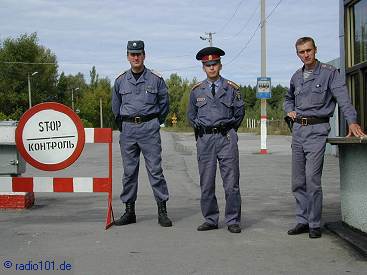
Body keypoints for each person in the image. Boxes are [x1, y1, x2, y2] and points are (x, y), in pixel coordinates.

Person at [284, 37, 366, 238]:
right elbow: (288, 98)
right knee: (297, 180)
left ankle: (314, 223)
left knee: (312, 179)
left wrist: (352, 122)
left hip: (317, 130)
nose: (306, 55)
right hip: (298, 131)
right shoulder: (296, 77)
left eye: (309, 50)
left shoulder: (330, 73)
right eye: (302, 52)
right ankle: (302, 220)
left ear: (315, 50)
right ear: (298, 54)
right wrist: (289, 110)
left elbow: (343, 99)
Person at [112, 40, 172, 227]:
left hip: (149, 129)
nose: (136, 57)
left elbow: (164, 105)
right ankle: (129, 211)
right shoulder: (120, 80)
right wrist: (124, 125)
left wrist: (155, 122)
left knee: (155, 170)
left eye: (139, 54)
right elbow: (115, 107)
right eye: (132, 54)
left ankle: (162, 211)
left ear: (144, 56)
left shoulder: (156, 79)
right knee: (129, 173)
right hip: (128, 130)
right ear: (128, 56)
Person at [187, 47, 245, 233]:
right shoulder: (197, 91)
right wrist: (203, 129)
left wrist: (227, 129)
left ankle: (233, 220)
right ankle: (211, 219)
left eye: (214, 64)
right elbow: (191, 115)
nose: (211, 67)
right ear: (203, 67)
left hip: (226, 137)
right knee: (206, 181)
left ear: (220, 65)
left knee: (231, 182)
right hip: (205, 140)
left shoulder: (232, 88)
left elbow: (239, 113)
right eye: (207, 65)